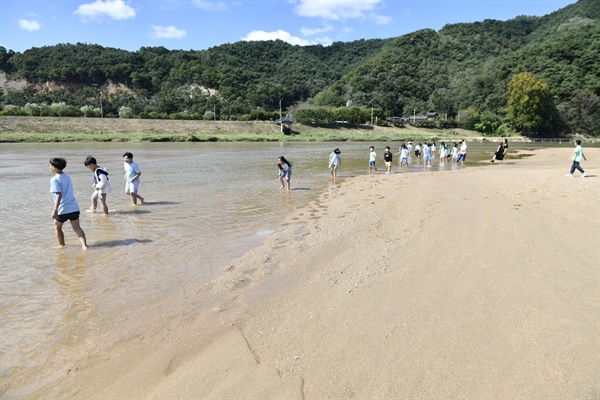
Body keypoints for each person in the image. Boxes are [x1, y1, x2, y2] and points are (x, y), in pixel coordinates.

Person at [49, 157, 88, 249]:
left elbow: (59, 195)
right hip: (74, 207)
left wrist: (55, 210)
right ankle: (84, 246)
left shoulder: (54, 179)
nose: (49, 167)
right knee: (77, 228)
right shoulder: (67, 176)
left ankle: (61, 245)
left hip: (62, 208)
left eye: (50, 165)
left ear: (54, 167)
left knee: (57, 227)